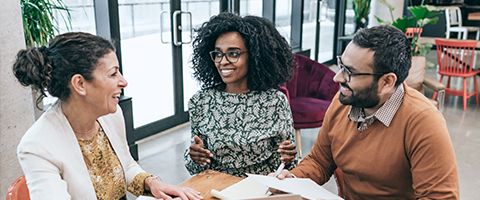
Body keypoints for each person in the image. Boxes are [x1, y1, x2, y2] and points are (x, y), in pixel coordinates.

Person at [274, 26, 459, 199]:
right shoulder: (343, 102)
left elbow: (438, 196)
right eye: (341, 65)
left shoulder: (423, 121)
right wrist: (293, 179)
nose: (337, 77)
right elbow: (319, 161)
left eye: (350, 72)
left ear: (387, 82)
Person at [13, 32, 202, 200]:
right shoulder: (37, 147)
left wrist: (152, 183)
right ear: (80, 84)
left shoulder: (110, 115)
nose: (124, 81)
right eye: (113, 74)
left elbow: (125, 166)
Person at [184, 12, 297, 177]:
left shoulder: (275, 101)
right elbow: (196, 168)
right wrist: (194, 157)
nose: (222, 61)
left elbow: (286, 165)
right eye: (218, 53)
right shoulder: (201, 101)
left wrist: (287, 158)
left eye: (233, 53)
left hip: (260, 189)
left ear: (255, 56)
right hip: (216, 188)